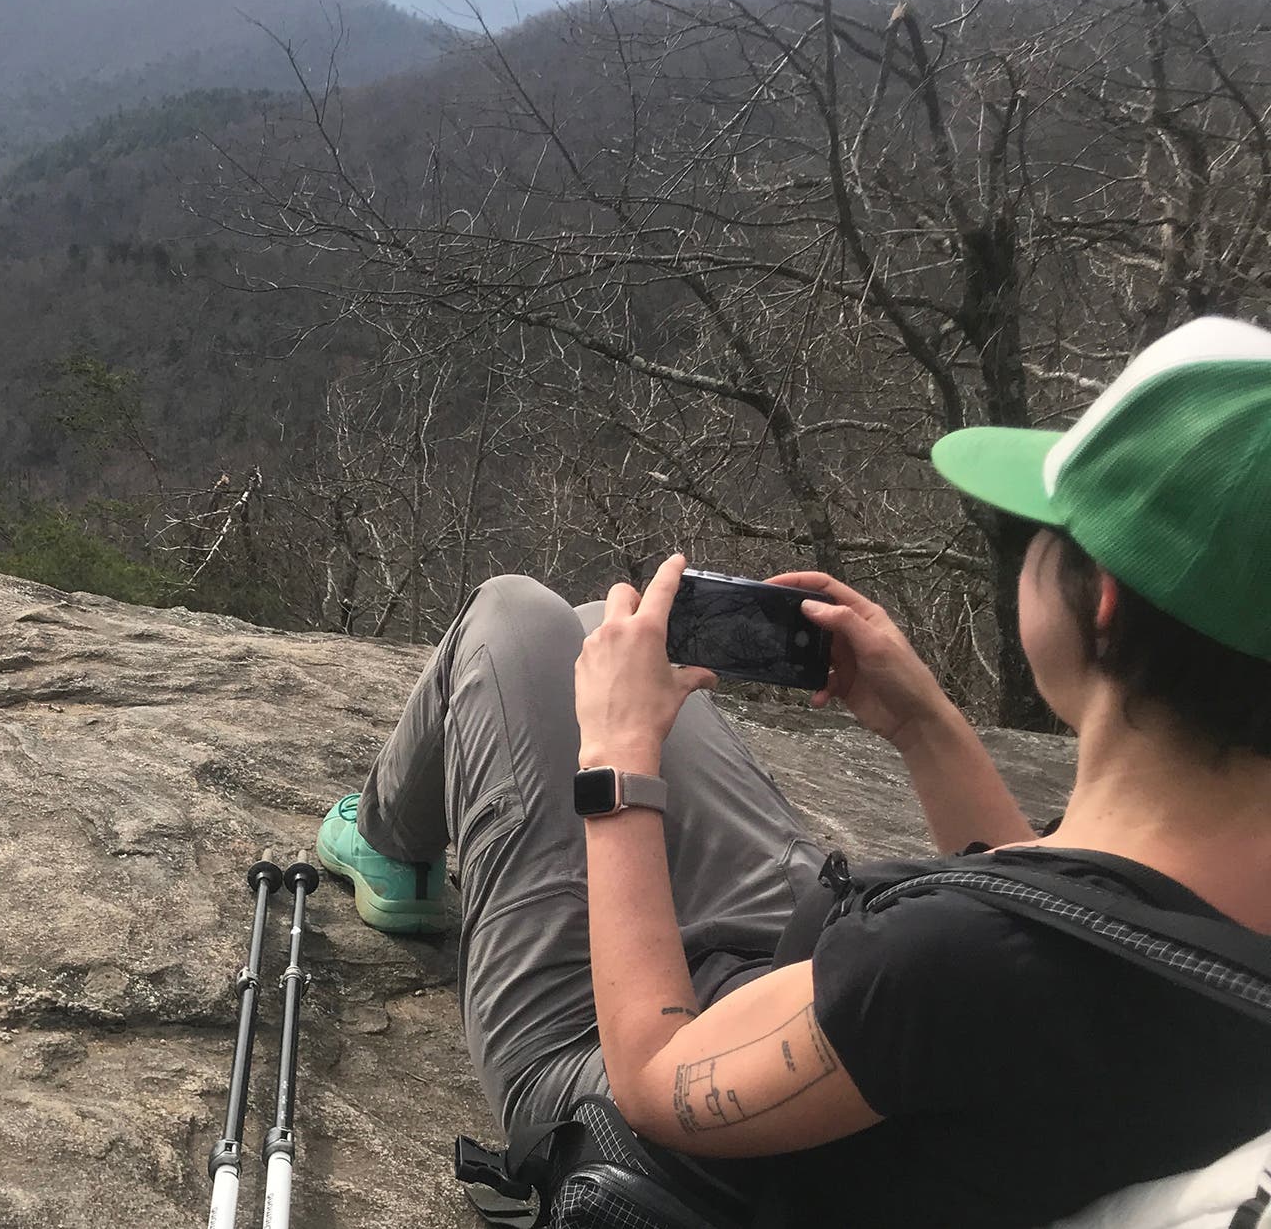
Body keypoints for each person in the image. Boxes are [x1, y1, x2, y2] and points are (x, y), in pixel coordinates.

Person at [312, 315, 1271, 1228]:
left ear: (1100, 598)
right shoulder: (1218, 897)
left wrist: (616, 761)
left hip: (624, 1074)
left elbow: (655, 1081)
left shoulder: (942, 965)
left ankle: (393, 852)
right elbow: (1071, 928)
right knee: (600, 639)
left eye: (1039, 531)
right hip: (823, 1006)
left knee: (514, 618)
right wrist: (924, 725)